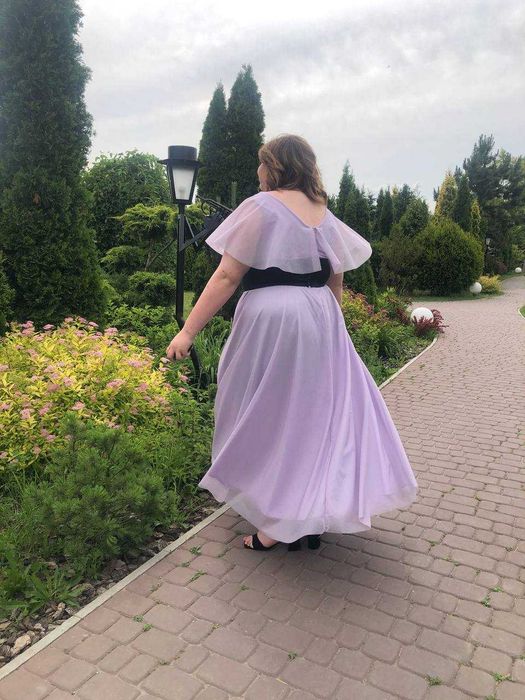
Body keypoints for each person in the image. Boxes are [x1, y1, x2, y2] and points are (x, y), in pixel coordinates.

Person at [166, 134, 418, 552]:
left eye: (262, 162)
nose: (258, 171)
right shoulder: (322, 212)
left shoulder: (261, 206)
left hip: (273, 318)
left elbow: (227, 275)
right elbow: (336, 281)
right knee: (313, 413)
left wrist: (188, 330)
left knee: (263, 409)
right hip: (320, 314)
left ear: (275, 166)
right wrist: (333, 331)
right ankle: (308, 510)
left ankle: (280, 519)